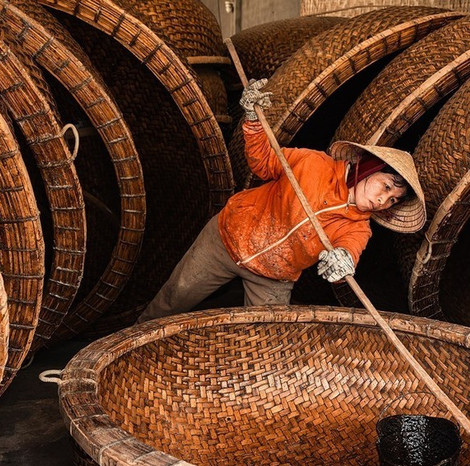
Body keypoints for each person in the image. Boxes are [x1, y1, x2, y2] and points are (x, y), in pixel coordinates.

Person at [137, 79, 426, 323]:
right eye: (386, 185)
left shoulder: (358, 227)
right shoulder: (313, 163)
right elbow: (263, 162)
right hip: (225, 239)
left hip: (274, 276)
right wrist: (253, 120)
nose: (382, 199)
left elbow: (350, 249)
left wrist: (343, 262)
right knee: (172, 300)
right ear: (369, 168)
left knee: (268, 335)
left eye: (392, 200)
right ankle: (129, 342)